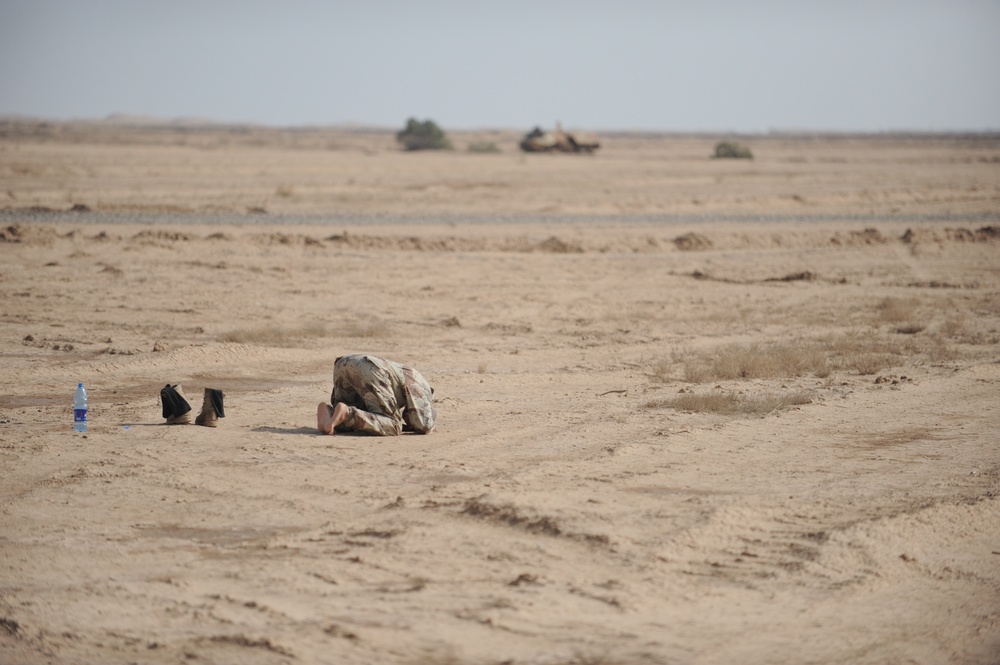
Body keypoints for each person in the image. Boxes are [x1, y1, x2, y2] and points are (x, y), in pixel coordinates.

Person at [317, 354, 436, 436]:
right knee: (394, 426)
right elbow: (423, 425)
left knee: (357, 416)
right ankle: (347, 414)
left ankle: (330, 413)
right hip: (371, 368)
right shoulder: (423, 387)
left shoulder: (406, 373)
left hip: (343, 363)